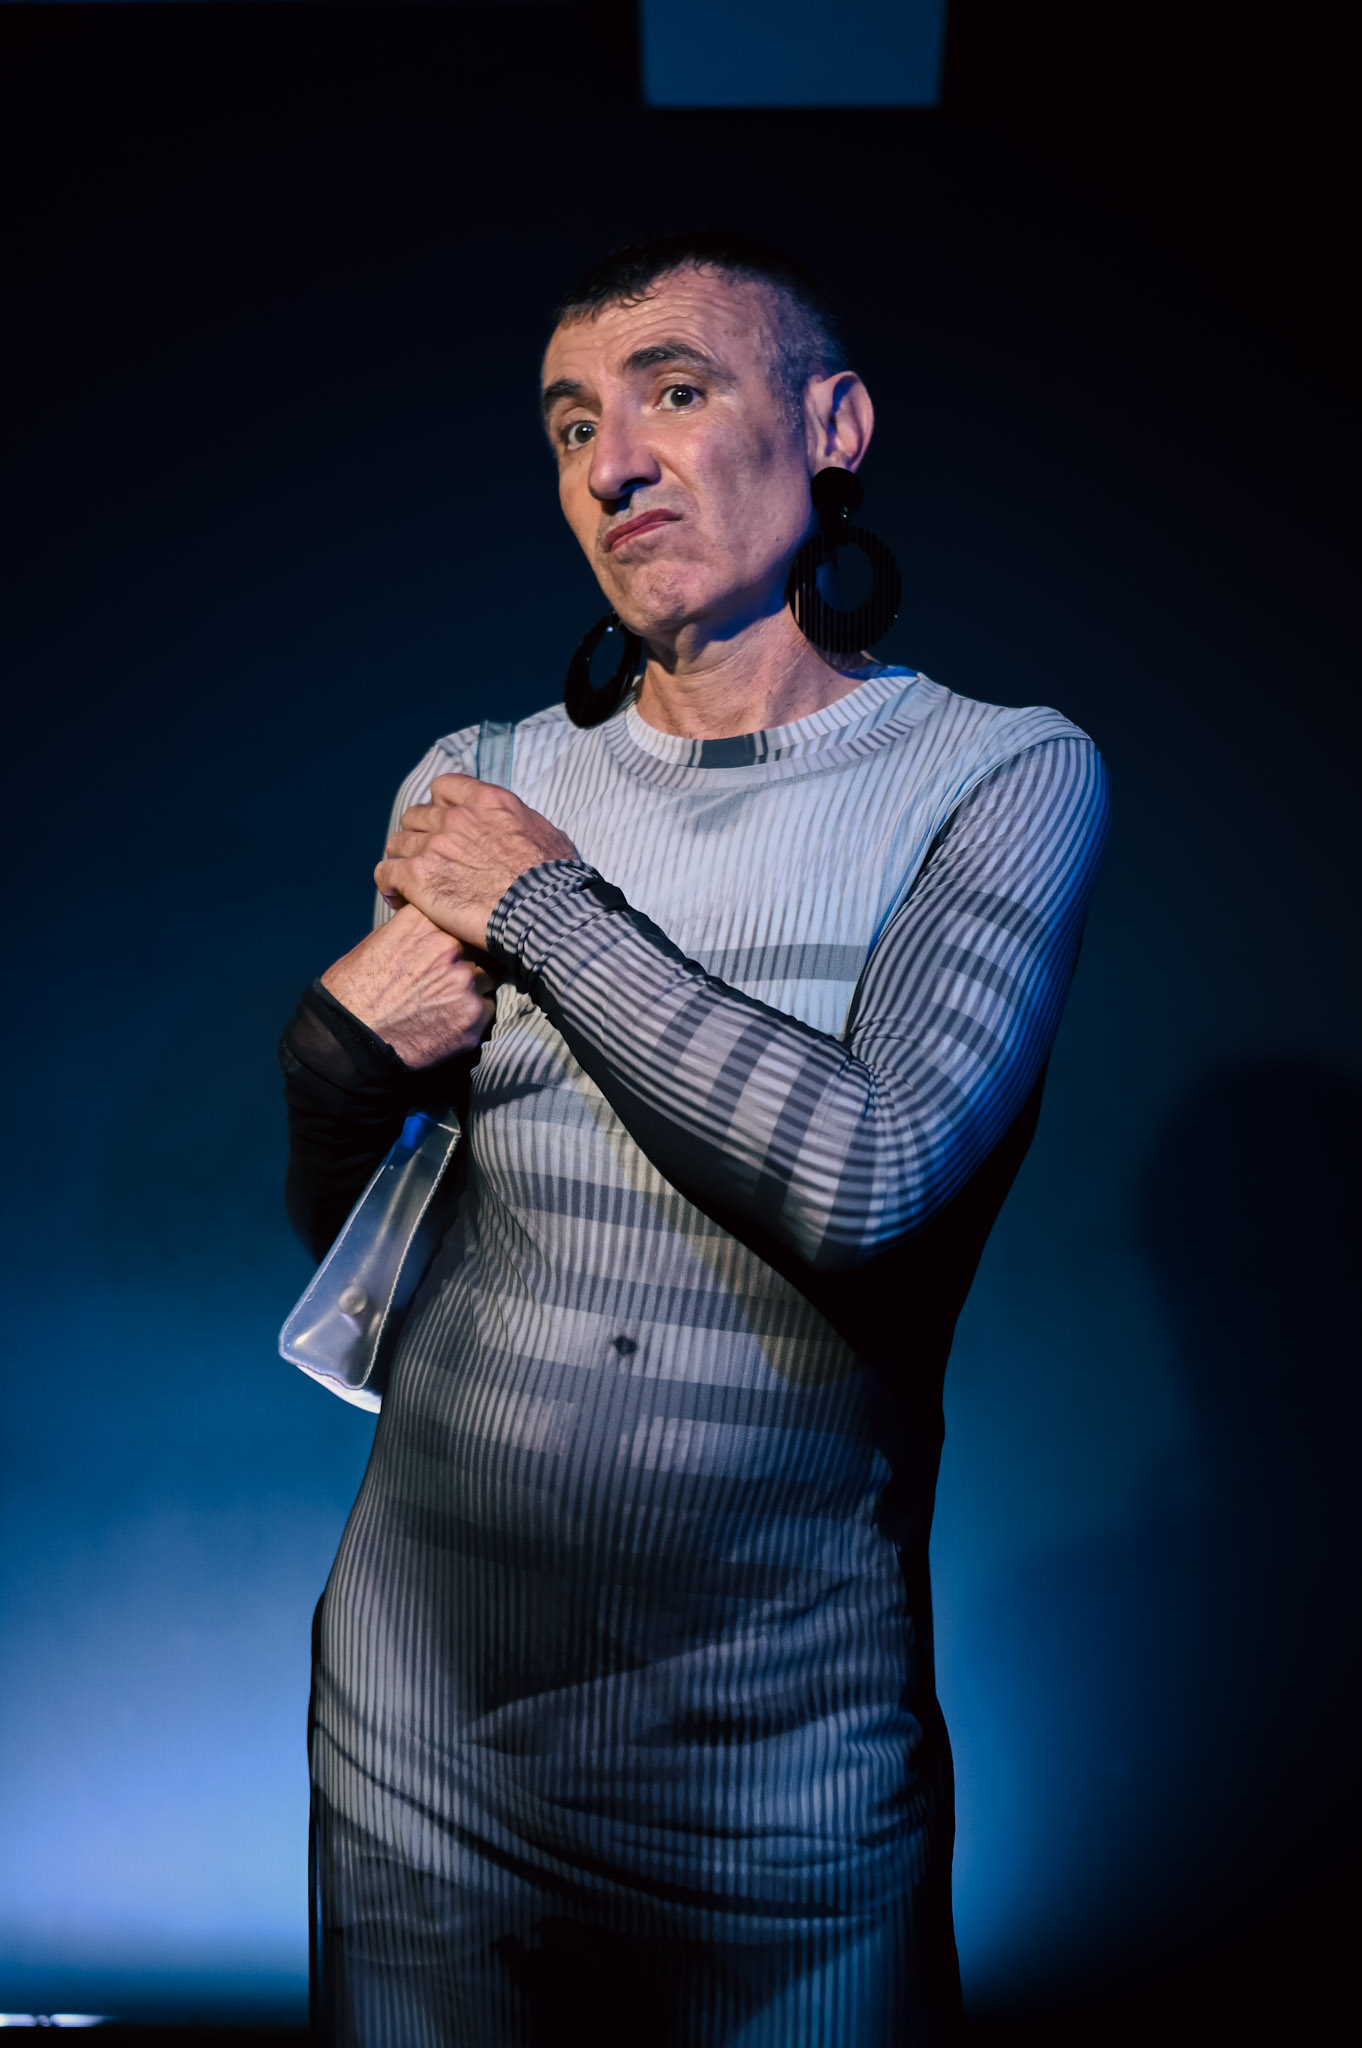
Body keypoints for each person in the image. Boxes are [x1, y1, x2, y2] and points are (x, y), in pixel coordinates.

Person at [279, 232, 1109, 2047]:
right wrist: (331, 1062)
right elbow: (366, 1246)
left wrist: (547, 913)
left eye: (675, 390)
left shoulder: (998, 770)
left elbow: (869, 1181)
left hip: (782, 1774)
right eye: (572, 423)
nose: (613, 463)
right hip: (422, 1732)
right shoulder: (484, 775)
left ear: (833, 425)